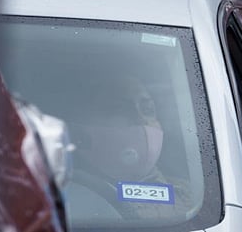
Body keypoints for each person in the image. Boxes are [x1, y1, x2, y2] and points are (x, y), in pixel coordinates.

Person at [61, 73, 192, 222]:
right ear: (82, 125)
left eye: (148, 109)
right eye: (120, 110)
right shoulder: (63, 199)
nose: (141, 120)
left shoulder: (191, 198)